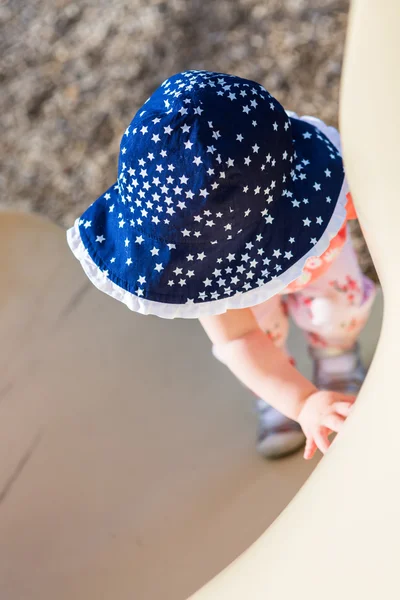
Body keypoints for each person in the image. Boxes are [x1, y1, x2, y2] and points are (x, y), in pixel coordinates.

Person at [67, 70, 375, 460]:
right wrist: (301, 403)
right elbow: (238, 340)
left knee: (338, 308)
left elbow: (376, 204)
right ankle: (279, 396)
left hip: (321, 263)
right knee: (262, 335)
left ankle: (337, 359)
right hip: (242, 286)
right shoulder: (202, 268)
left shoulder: (311, 178)